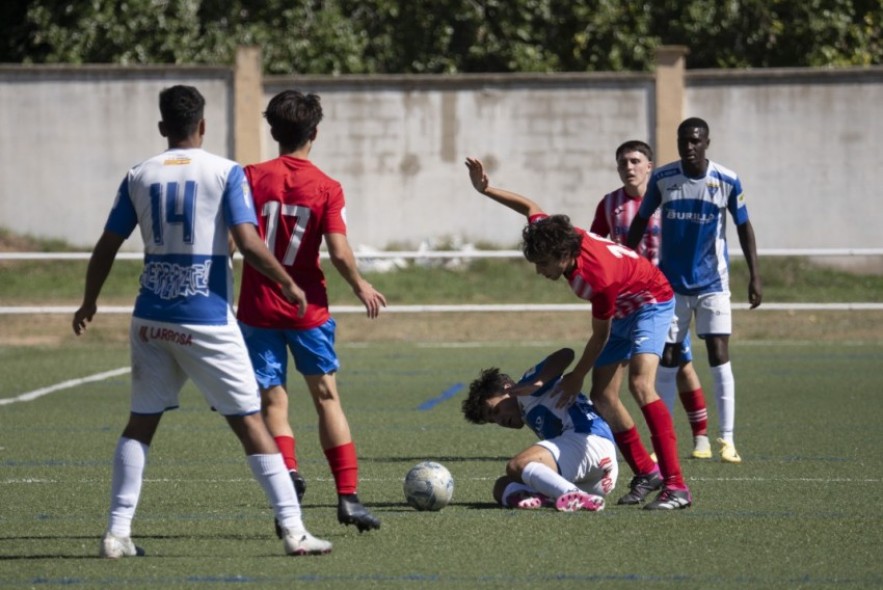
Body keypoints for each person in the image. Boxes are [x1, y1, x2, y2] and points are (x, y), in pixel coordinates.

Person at [72, 85, 331, 558]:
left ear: (161, 127)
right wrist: (288, 284)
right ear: (203, 125)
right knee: (250, 421)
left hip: (150, 318)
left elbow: (107, 244)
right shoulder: (226, 171)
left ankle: (116, 533)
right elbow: (249, 244)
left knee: (140, 424)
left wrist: (89, 300)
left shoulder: (138, 174)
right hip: (205, 318)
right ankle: (295, 532)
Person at [465, 157, 692, 510]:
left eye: (543, 265)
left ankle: (676, 485)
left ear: (563, 255)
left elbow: (598, 338)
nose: (540, 272)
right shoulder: (556, 236)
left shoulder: (597, 279)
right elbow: (531, 208)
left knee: (640, 385)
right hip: (623, 307)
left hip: (651, 301)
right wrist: (486, 189)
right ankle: (647, 472)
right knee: (602, 397)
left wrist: (575, 377)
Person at [236, 90, 386, 533]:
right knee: (326, 397)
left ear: (272, 131)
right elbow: (338, 252)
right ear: (314, 133)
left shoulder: (249, 176)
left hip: (258, 308)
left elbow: (234, 238)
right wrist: (360, 285)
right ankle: (349, 498)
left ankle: (289, 477)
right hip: (309, 311)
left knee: (273, 401)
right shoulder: (327, 187)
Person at [626, 117, 763, 464]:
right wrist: (626, 263)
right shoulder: (663, 178)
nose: (689, 146)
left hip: (713, 285)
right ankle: (664, 440)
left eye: (695, 141)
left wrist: (754, 276)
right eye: (684, 140)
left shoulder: (727, 180)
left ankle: (727, 440)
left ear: (706, 143)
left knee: (719, 354)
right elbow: (640, 221)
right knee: (669, 359)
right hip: (671, 287)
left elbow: (744, 228)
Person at [591, 140, 711, 459]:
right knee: (609, 379)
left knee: (678, 363)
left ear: (649, 166)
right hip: (622, 303)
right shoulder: (609, 205)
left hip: (659, 300)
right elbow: (597, 247)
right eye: (622, 163)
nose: (628, 167)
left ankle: (701, 438)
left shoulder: (667, 200)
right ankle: (611, 445)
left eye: (634, 161)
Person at [462, 347, 618, 512]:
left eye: (496, 410)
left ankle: (571, 494)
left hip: (590, 441)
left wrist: (538, 382)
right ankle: (551, 498)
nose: (499, 420)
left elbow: (566, 354)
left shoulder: (526, 388)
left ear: (508, 388)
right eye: (492, 421)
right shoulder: (526, 410)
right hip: (598, 480)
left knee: (518, 465)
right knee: (503, 486)